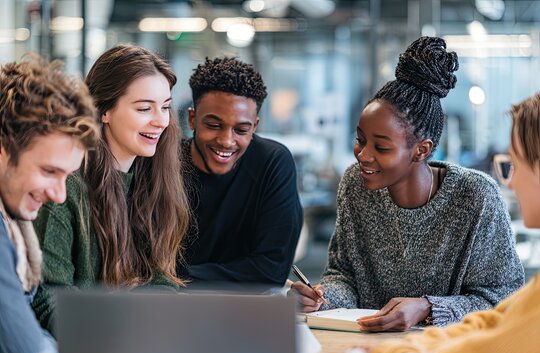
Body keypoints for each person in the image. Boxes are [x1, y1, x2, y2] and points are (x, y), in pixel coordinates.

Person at [289, 36, 524, 331]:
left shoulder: (476, 196)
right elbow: (344, 275)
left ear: (421, 150)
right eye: (360, 140)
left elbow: (504, 300)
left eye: (381, 147)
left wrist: (428, 306)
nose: (363, 155)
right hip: (363, 344)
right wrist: (322, 297)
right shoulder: (354, 185)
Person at [345, 92, 540, 353]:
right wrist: (394, 350)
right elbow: (491, 323)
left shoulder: (477, 195)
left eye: (514, 165)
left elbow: (488, 348)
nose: (511, 182)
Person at [32, 44, 191, 336]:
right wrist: (116, 335)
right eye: (145, 108)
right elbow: (49, 299)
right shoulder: (64, 186)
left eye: (165, 106)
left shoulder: (152, 179)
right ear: (103, 110)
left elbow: (160, 281)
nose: (161, 121)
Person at [0, 55, 99, 353]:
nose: (59, 195)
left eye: (66, 176)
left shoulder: (13, 224)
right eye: (48, 171)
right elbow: (26, 351)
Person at [180, 57, 302, 286]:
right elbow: (141, 263)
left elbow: (271, 270)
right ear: (192, 119)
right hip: (167, 303)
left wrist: (171, 277)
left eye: (241, 130)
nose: (227, 141)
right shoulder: (166, 165)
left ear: (254, 126)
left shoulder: (272, 163)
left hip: (247, 308)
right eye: (214, 125)